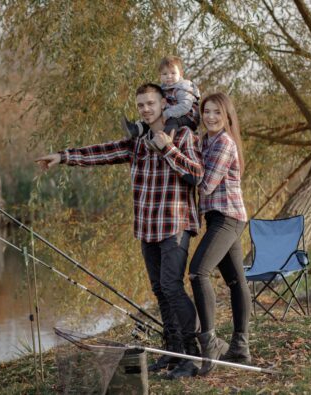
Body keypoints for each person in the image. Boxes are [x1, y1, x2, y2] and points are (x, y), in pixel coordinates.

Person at [36, 83, 204, 379]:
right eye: (140, 105)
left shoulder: (184, 135)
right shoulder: (137, 141)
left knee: (172, 287)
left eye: (150, 103)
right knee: (159, 291)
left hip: (175, 224)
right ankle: (172, 352)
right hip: (147, 227)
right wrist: (63, 157)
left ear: (164, 103)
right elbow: (102, 153)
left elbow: (197, 174)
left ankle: (193, 356)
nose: (145, 109)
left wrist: (168, 148)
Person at [188, 92, 252, 375]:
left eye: (216, 112)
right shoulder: (206, 141)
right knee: (237, 282)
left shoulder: (224, 142)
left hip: (228, 217)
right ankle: (240, 346)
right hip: (218, 217)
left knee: (198, 272)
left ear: (227, 116)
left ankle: (210, 341)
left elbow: (206, 185)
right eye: (206, 112)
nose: (210, 117)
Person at [122, 56, 201, 139]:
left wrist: (167, 113)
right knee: (153, 117)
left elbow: (185, 106)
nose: (169, 76)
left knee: (171, 121)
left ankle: (163, 140)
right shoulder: (164, 88)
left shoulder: (182, 89)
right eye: (164, 74)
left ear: (181, 74)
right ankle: (134, 130)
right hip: (174, 113)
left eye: (173, 73)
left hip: (188, 117)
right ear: (160, 75)